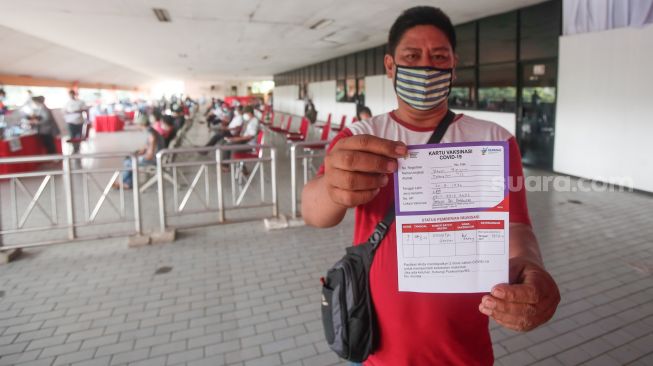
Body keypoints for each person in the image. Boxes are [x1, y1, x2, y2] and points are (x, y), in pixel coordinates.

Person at [301, 6, 560, 366]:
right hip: (376, 347)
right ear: (390, 66)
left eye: (439, 57)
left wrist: (532, 268)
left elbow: (516, 225)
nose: (426, 68)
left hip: (465, 349)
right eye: (412, 56)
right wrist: (332, 186)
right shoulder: (360, 137)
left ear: (453, 66)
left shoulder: (494, 140)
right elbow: (313, 212)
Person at [116, 116, 165, 190]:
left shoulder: (151, 134)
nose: (136, 126)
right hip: (158, 157)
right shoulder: (151, 131)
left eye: (137, 124)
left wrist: (138, 158)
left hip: (155, 159)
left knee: (129, 162)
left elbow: (150, 155)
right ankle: (126, 183)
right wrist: (137, 153)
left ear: (141, 124)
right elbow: (146, 147)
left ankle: (123, 182)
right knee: (130, 159)